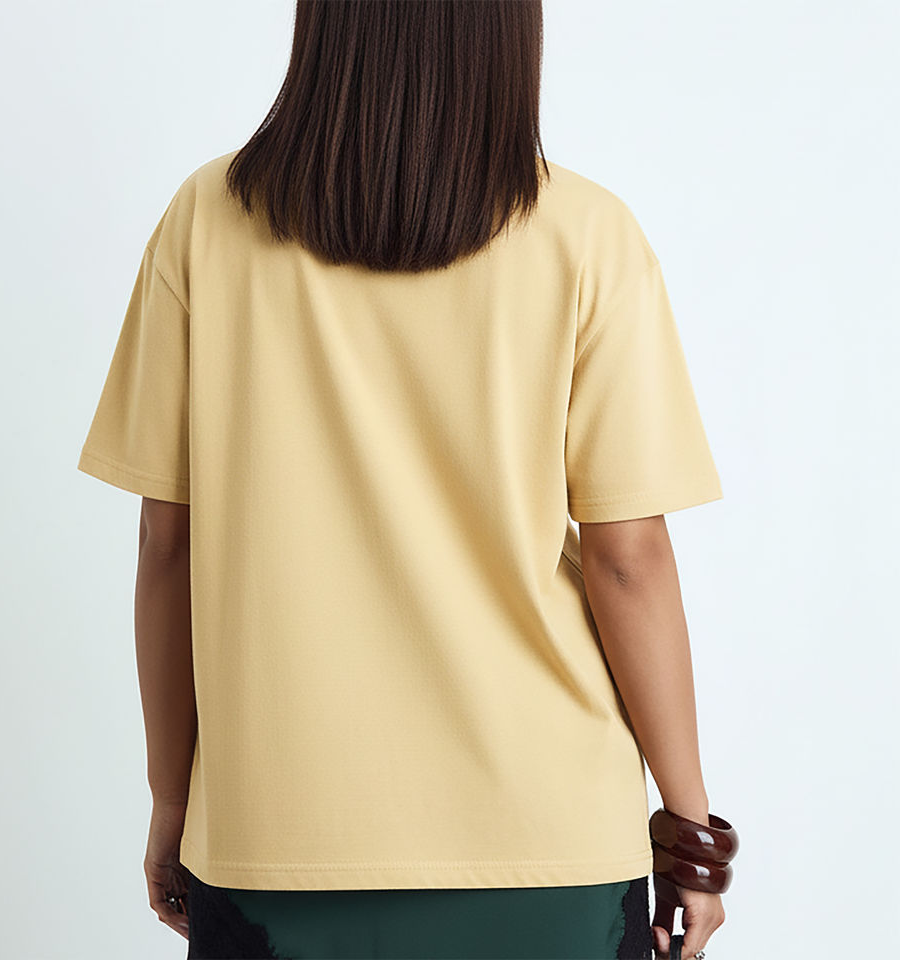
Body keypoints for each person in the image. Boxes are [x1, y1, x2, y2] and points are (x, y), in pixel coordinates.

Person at [76, 2, 736, 958]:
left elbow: (167, 543)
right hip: (547, 842)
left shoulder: (205, 221)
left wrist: (173, 800)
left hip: (275, 835)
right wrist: (690, 832)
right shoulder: (589, 236)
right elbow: (628, 561)